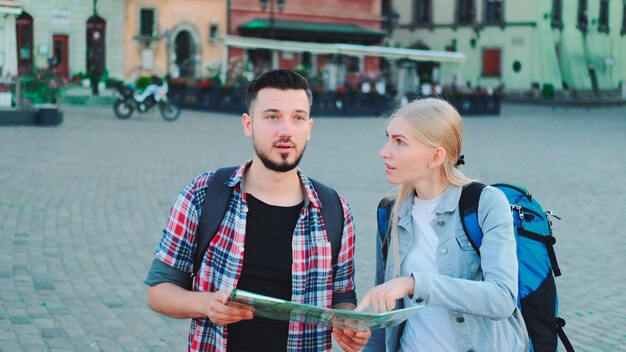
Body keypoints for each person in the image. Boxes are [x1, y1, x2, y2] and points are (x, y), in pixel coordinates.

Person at [145, 69, 370, 352]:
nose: (286, 130)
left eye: (297, 118)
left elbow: (342, 297)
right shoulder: (204, 194)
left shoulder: (335, 210)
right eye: (272, 116)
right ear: (248, 124)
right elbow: (159, 290)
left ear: (309, 128)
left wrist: (349, 325)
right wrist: (205, 304)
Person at [360, 98, 525, 351]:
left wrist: (415, 283)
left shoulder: (485, 203)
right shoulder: (390, 211)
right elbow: (384, 315)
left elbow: (502, 298)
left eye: (400, 142)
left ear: (436, 156)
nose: (384, 151)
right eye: (388, 138)